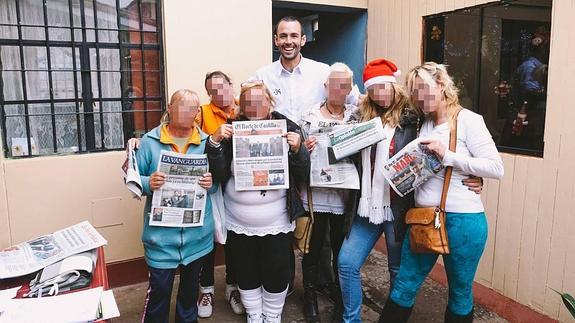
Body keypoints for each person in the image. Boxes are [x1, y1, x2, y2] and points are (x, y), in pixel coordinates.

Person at [337, 59, 484, 323]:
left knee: (400, 273)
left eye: (384, 87)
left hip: (399, 209)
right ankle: (351, 319)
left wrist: (473, 174)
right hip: (365, 207)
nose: (379, 94)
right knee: (347, 263)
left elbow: (444, 145)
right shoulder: (360, 117)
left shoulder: (414, 118)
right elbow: (339, 150)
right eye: (373, 89)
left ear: (394, 87)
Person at [378, 62, 504, 323]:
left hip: (464, 221)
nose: (419, 97)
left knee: (460, 293)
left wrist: (448, 156)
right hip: (423, 218)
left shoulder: (468, 120)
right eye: (414, 91)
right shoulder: (422, 124)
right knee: (404, 286)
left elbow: (495, 167)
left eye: (424, 88)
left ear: (442, 84)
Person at [206, 81, 310, 323]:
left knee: (277, 268)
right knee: (246, 269)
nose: (255, 106)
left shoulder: (287, 127)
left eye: (260, 101)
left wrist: (298, 149)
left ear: (270, 102)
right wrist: (215, 143)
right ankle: (254, 314)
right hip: (239, 220)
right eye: (248, 102)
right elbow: (218, 175)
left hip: (276, 220)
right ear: (241, 106)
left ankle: (272, 316)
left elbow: (304, 175)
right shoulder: (230, 129)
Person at [135, 89, 216, 323]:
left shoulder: (205, 143)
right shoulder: (149, 142)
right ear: (170, 108)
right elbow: (132, 180)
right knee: (159, 294)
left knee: (189, 295)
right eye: (181, 106)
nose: (187, 112)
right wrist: (147, 182)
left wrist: (210, 183)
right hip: (161, 240)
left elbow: (217, 184)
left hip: (197, 239)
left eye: (192, 108)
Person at [298, 62, 360, 322]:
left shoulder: (356, 116)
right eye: (333, 84)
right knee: (311, 247)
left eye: (344, 85)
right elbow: (296, 154)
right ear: (325, 87)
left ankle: (339, 297)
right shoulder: (310, 116)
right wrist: (305, 148)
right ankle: (310, 297)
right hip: (316, 196)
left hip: (343, 197)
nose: (338, 89)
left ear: (349, 89)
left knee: (340, 248)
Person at [195, 71, 245, 318]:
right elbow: (179, 130)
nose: (219, 93)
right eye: (213, 91)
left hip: (241, 188)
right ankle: (206, 289)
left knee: (236, 241)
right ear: (208, 94)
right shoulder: (201, 113)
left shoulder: (245, 108)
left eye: (222, 87)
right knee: (209, 241)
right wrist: (141, 141)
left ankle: (233, 287)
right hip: (212, 188)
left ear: (230, 85)